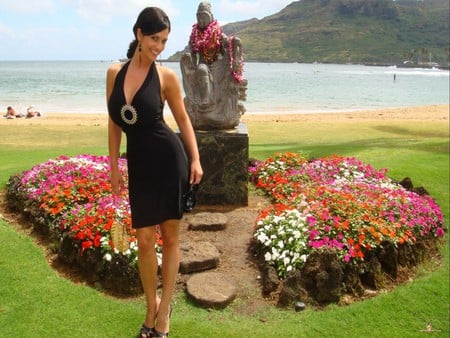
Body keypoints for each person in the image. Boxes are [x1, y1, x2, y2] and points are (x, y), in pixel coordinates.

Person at [106, 7, 203, 338]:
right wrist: (113, 163)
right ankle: (151, 305)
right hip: (139, 164)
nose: (159, 47)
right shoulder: (114, 73)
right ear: (138, 34)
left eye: (163, 41)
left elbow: (184, 119)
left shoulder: (166, 77)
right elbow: (114, 121)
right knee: (145, 240)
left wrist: (195, 159)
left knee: (171, 238)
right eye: (154, 39)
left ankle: (163, 315)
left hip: (168, 161)